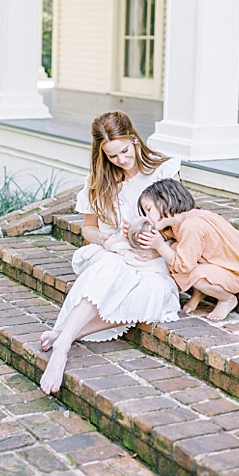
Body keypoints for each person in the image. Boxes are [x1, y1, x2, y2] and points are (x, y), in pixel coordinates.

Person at [39, 110, 181, 394]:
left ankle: (67, 334)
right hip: (113, 253)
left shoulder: (163, 170)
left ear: (134, 140)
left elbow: (181, 224)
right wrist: (107, 239)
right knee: (113, 268)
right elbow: (87, 229)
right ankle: (62, 349)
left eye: (125, 151)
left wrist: (157, 248)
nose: (122, 160)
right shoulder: (100, 178)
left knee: (157, 293)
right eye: (113, 156)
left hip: (151, 259)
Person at [137, 179, 239, 321]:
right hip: (228, 265)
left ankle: (227, 299)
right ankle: (200, 293)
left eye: (148, 209)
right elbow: (169, 236)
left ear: (167, 200)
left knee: (193, 273)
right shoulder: (184, 219)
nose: (147, 217)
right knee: (176, 248)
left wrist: (159, 246)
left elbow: (183, 266)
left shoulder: (191, 226)